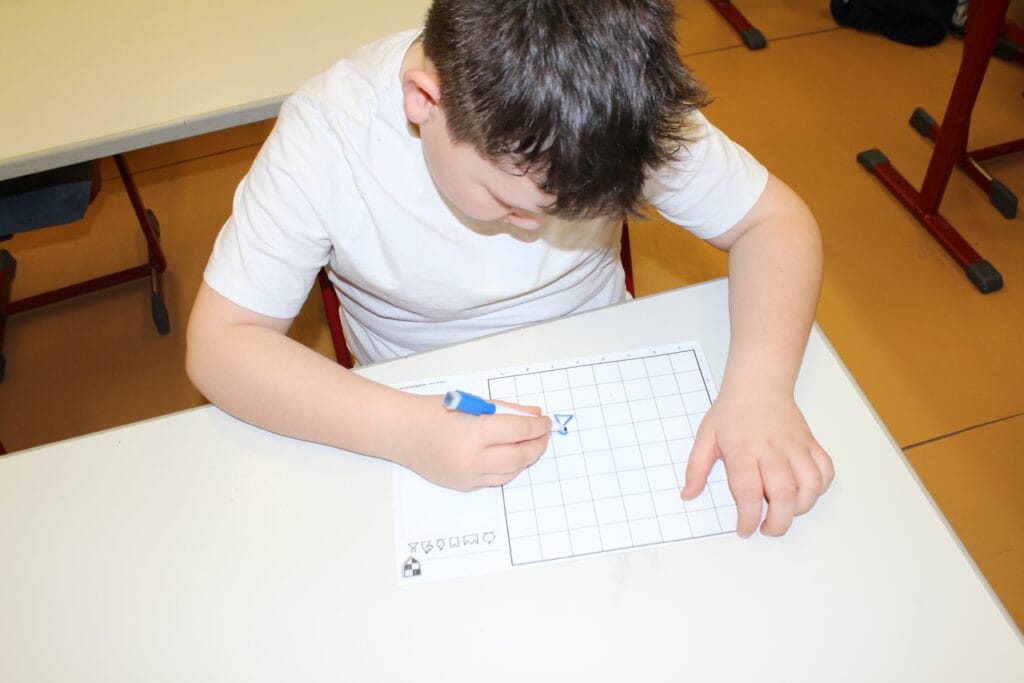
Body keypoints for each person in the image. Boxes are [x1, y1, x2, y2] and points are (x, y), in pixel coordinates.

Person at [186, 0, 834, 538]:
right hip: (410, 396)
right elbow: (221, 344)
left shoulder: (615, 103)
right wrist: (406, 430)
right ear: (423, 100)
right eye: (510, 203)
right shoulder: (327, 136)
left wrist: (761, 389)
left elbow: (774, 222)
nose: (535, 227)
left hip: (601, 369)